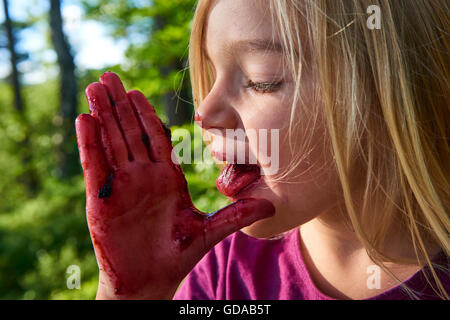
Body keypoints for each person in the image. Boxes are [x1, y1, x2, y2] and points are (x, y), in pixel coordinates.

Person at [75, 0, 449, 300]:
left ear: (389, 95)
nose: (203, 113)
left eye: (260, 80)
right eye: (211, 75)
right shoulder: (220, 276)